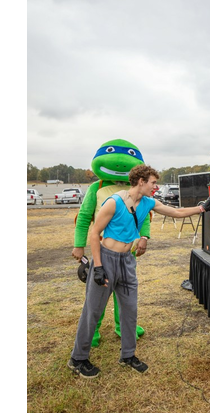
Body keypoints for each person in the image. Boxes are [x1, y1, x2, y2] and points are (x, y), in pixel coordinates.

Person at [68, 164, 210, 378]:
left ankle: (128, 355)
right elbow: (94, 233)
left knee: (129, 310)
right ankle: (78, 359)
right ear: (141, 181)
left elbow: (176, 212)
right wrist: (97, 267)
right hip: (106, 260)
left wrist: (201, 208)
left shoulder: (148, 203)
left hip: (128, 261)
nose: (156, 187)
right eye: (153, 183)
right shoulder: (114, 202)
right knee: (93, 311)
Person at [72, 139, 148, 346]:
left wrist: (144, 237)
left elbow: (144, 217)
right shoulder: (97, 187)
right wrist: (79, 244)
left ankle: (122, 327)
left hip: (127, 250)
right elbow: (85, 217)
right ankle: (92, 331)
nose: (122, 165)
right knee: (98, 293)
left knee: (124, 293)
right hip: (103, 250)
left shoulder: (136, 190)